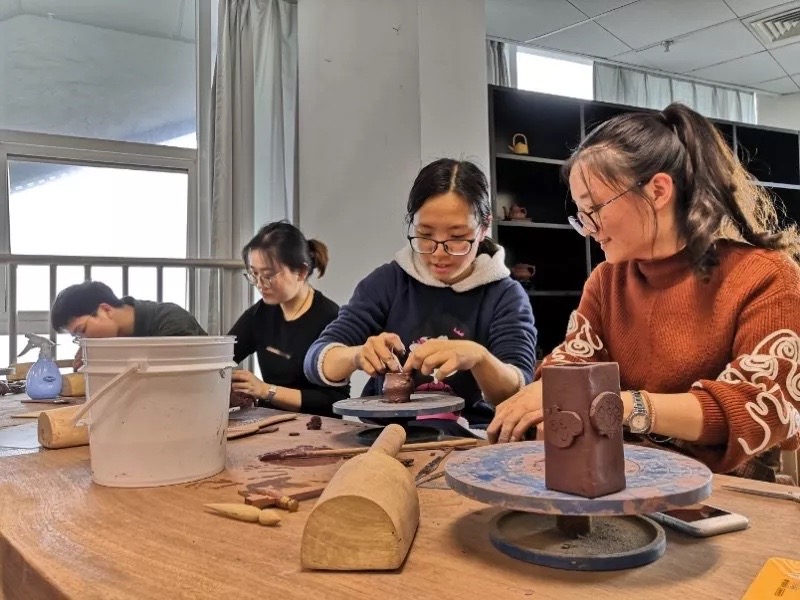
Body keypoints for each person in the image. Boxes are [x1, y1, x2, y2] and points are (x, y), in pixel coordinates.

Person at [487, 102, 800, 482]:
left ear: (658, 190)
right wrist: (548, 395)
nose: (588, 228)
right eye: (581, 215)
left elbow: (762, 407)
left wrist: (621, 406)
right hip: (624, 480)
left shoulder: (765, 276)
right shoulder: (607, 280)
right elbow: (571, 365)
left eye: (594, 208)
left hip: (724, 494)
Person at [303, 158, 537, 435]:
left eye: (457, 237)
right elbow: (317, 361)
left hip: (473, 439)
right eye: (425, 235)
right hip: (386, 434)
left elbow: (518, 389)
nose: (438, 253)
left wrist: (480, 358)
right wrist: (357, 355)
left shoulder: (504, 296)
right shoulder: (389, 282)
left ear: (484, 228)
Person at [228, 221, 349, 416]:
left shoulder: (331, 319)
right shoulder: (259, 315)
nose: (260, 284)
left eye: (268, 275)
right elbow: (222, 358)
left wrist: (266, 390)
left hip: (319, 425)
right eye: (254, 274)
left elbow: (334, 401)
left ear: (301, 272)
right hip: (270, 421)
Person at [51, 280, 207, 370]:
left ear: (106, 310)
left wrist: (104, 360)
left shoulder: (171, 320)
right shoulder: (113, 336)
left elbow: (167, 380)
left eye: (83, 330)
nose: (84, 341)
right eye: (78, 337)